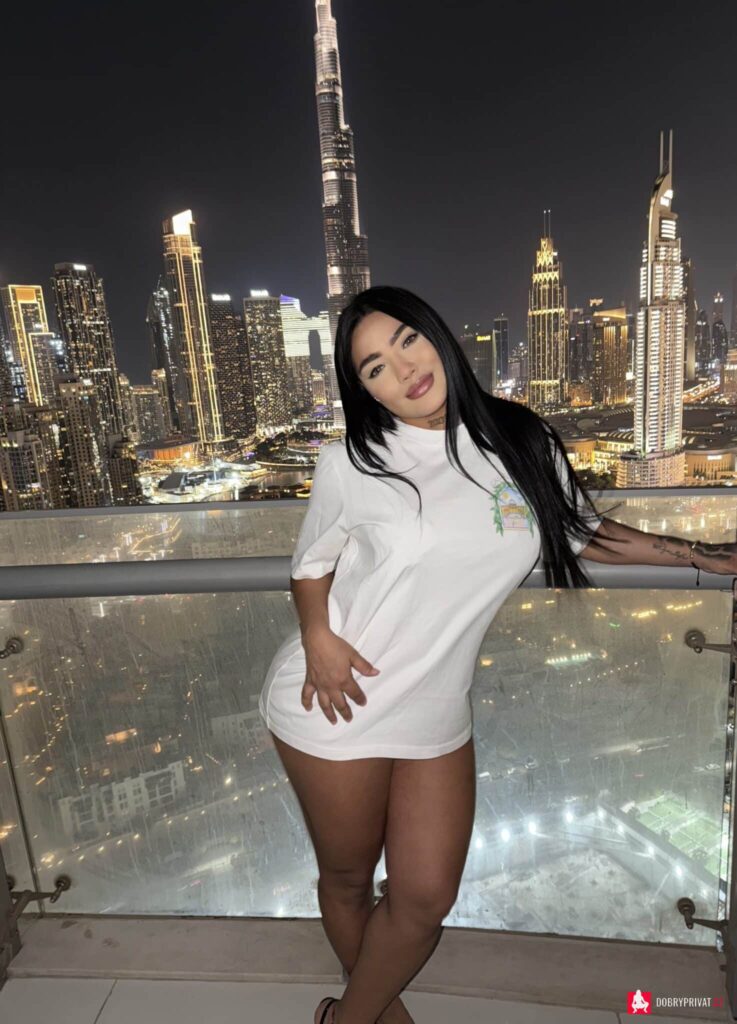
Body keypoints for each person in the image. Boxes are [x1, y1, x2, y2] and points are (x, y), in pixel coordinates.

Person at [257, 286, 737, 1024]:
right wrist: (318, 638)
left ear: (437, 334)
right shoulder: (352, 461)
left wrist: (698, 555)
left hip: (436, 707)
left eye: (407, 340)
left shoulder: (517, 438)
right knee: (349, 880)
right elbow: (309, 564)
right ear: (365, 390)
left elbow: (579, 531)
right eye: (375, 367)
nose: (403, 370)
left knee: (424, 900)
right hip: (338, 698)